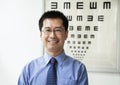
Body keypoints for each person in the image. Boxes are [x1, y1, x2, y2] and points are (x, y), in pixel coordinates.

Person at [18, 10, 88, 85]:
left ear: (66, 34)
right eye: (48, 30)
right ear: (41, 35)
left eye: (58, 30)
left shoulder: (79, 69)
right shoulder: (29, 69)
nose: (52, 36)